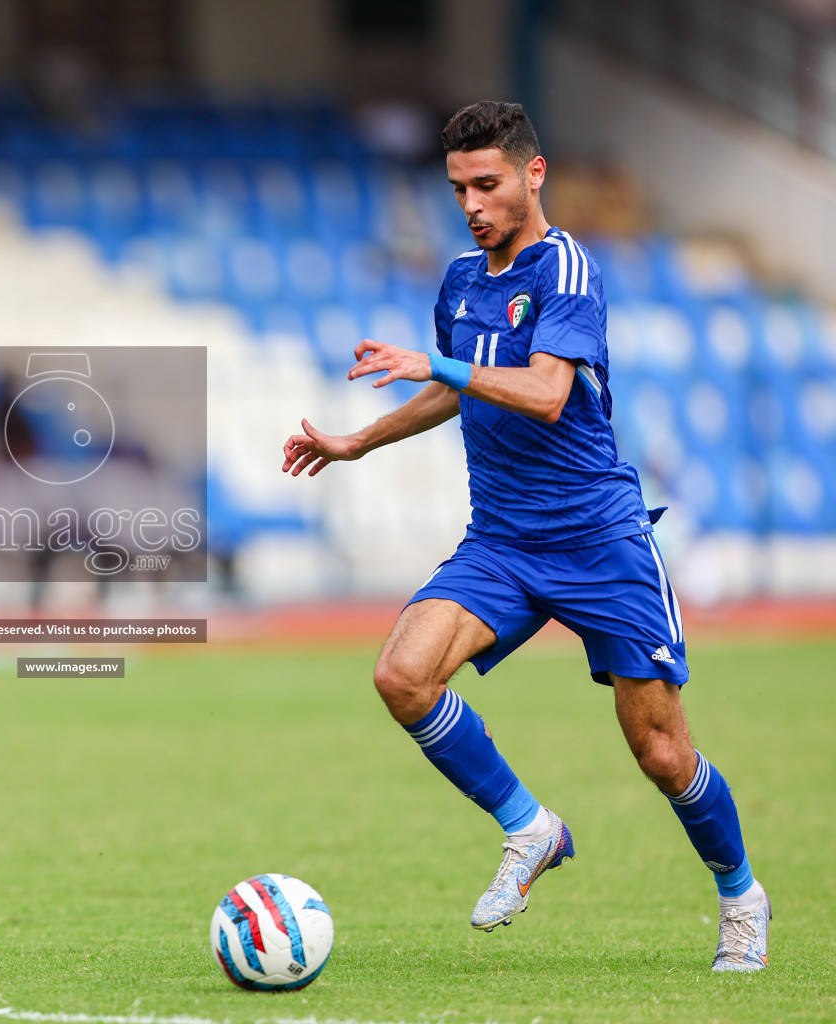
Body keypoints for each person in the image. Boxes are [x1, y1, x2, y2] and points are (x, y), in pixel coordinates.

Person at [281, 101, 769, 972]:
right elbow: (459, 388)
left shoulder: (567, 268)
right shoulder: (462, 279)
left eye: (487, 184)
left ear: (532, 174)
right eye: (458, 188)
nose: (470, 204)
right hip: (502, 542)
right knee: (401, 674)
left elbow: (544, 391)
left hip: (599, 540)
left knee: (661, 752)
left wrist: (438, 363)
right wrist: (356, 441)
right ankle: (530, 828)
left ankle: (740, 896)